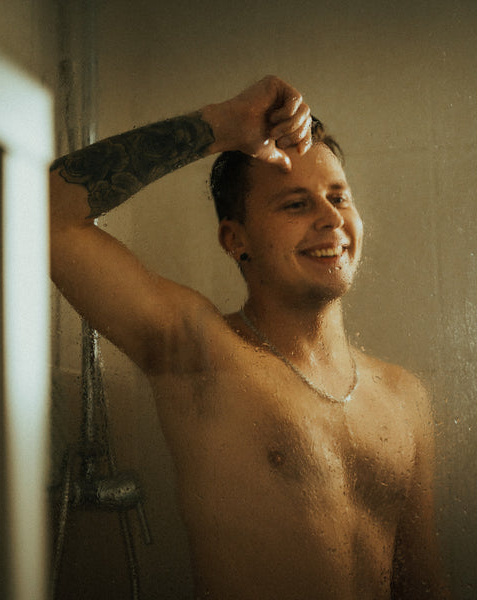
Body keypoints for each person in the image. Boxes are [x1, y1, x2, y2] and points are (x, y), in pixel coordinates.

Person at [50, 75, 449, 599]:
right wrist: (218, 125)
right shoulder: (205, 356)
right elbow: (39, 213)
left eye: (338, 197)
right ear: (235, 240)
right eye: (296, 205)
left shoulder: (403, 396)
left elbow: (422, 585)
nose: (331, 218)